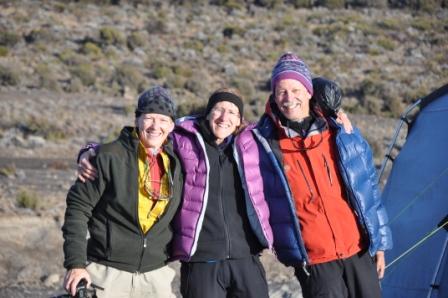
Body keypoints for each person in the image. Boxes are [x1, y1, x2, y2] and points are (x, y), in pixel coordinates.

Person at [77, 88, 273, 298]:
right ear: (208, 113)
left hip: (246, 257)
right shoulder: (184, 139)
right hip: (200, 259)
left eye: (232, 112)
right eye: (218, 109)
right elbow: (145, 140)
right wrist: (91, 150)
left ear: (239, 120)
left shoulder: (251, 144)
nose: (225, 117)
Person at [240, 52, 392, 298]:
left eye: (296, 90)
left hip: (359, 251)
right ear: (273, 96)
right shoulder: (265, 145)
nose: (289, 98)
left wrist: (380, 244)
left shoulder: (340, 133)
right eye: (282, 91)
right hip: (315, 261)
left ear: (309, 92)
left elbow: (369, 190)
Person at [62, 86, 183, 298]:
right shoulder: (109, 156)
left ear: (172, 125)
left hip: (156, 276)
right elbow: (78, 209)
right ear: (137, 119)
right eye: (149, 118)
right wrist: (76, 263)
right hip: (107, 274)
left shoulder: (177, 163)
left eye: (163, 120)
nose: (156, 126)